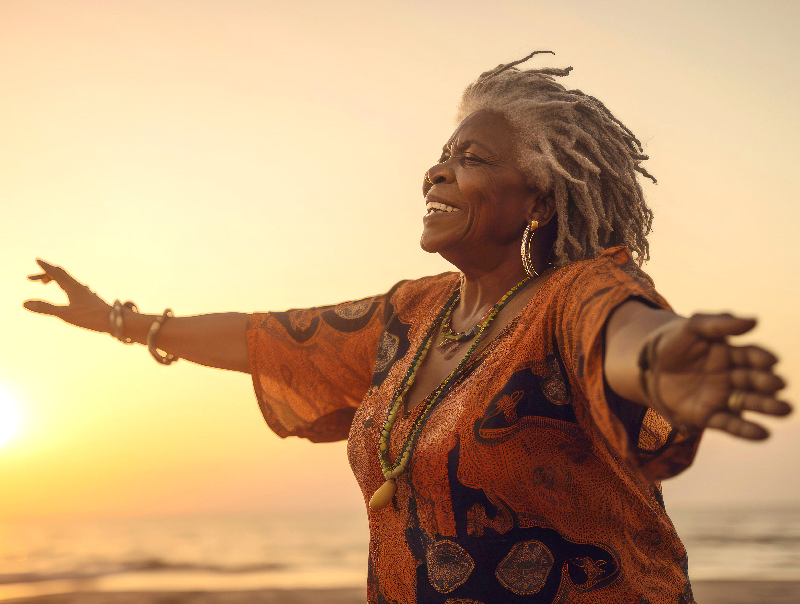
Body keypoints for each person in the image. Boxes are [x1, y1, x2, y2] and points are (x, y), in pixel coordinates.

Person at [24, 51, 790, 604]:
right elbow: (269, 335)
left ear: (540, 203)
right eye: (441, 155)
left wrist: (660, 364)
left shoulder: (575, 293)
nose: (438, 171)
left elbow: (618, 331)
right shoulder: (410, 317)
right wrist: (117, 321)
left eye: (472, 158)